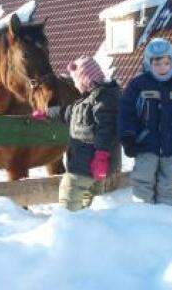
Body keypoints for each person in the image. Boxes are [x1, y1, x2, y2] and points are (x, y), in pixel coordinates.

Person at [118, 38, 172, 205]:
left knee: (170, 183)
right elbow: (126, 112)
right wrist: (127, 137)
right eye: (157, 64)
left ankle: (166, 215)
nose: (162, 68)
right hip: (145, 144)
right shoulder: (138, 85)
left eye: (166, 63)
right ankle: (143, 213)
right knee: (143, 179)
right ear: (148, 63)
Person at [31, 56, 121, 211]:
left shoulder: (104, 100)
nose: (76, 85)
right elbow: (68, 113)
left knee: (69, 195)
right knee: (88, 201)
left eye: (77, 81)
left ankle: (69, 225)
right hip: (83, 163)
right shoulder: (85, 102)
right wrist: (48, 113)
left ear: (87, 80)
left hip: (91, 164)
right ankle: (84, 228)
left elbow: (107, 130)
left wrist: (101, 156)